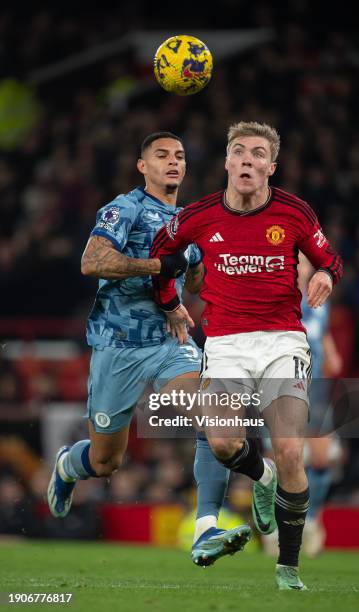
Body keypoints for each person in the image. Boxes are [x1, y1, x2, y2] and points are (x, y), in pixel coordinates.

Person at [150, 121, 343, 590]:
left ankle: (288, 567)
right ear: (227, 162)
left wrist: (327, 276)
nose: (248, 161)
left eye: (259, 154)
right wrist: (170, 303)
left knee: (292, 451)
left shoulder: (295, 212)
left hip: (282, 344)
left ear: (270, 167)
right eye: (240, 152)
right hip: (225, 347)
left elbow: (329, 258)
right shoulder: (198, 216)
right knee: (222, 444)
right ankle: (262, 475)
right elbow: (161, 254)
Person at [47, 131, 251, 563]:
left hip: (168, 345)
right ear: (143, 166)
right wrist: (161, 263)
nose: (172, 162)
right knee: (105, 463)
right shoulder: (124, 208)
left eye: (179, 155)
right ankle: (68, 464)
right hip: (116, 348)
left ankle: (206, 528)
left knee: (220, 424)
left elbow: (194, 279)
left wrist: (200, 263)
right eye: (161, 155)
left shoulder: (190, 221)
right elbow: (92, 261)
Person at [261, 253, 343, 558]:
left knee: (322, 459)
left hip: (315, 390)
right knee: (280, 458)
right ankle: (276, 526)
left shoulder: (318, 297)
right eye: (292, 263)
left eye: (302, 264)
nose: (298, 268)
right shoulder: (273, 298)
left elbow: (322, 333)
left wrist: (330, 352)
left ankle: (309, 520)